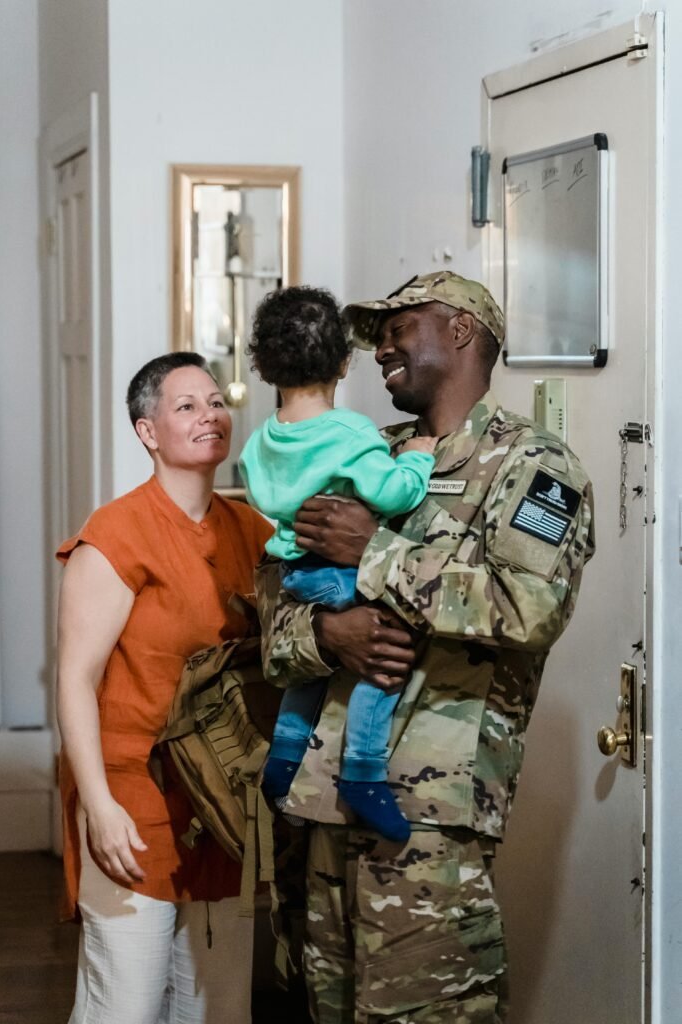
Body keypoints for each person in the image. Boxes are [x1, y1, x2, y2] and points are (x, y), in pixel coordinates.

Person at [254, 271, 595, 1024]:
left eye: (399, 326)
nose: (379, 347)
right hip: (318, 803)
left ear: (462, 330)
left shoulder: (533, 467)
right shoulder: (354, 454)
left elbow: (527, 606)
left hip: (430, 824)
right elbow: (274, 615)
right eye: (376, 333)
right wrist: (324, 634)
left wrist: (374, 552)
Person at [56, 352, 272, 1024]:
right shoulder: (116, 534)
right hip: (134, 796)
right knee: (127, 1000)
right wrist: (97, 802)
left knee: (218, 1005)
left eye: (215, 402)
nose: (210, 415)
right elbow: (75, 676)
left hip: (222, 801)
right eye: (186, 406)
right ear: (147, 431)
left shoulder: (251, 531)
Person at [239, 286, 436, 843]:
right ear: (344, 363)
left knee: (312, 666)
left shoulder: (260, 443)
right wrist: (416, 462)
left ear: (262, 364)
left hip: (297, 575)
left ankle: (284, 754)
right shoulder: (351, 433)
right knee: (386, 651)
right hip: (340, 573)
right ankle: (364, 769)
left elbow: (266, 496)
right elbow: (394, 494)